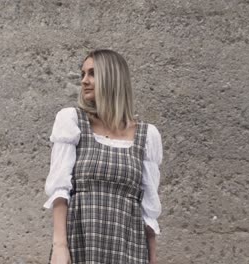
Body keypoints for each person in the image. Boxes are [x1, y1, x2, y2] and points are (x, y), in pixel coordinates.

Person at [44, 49, 163, 264]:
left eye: (92, 74)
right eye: (82, 75)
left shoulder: (147, 136)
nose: (84, 81)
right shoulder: (72, 122)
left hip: (129, 250)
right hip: (81, 244)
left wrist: (153, 259)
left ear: (112, 77)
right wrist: (59, 247)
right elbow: (60, 191)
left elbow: (149, 212)